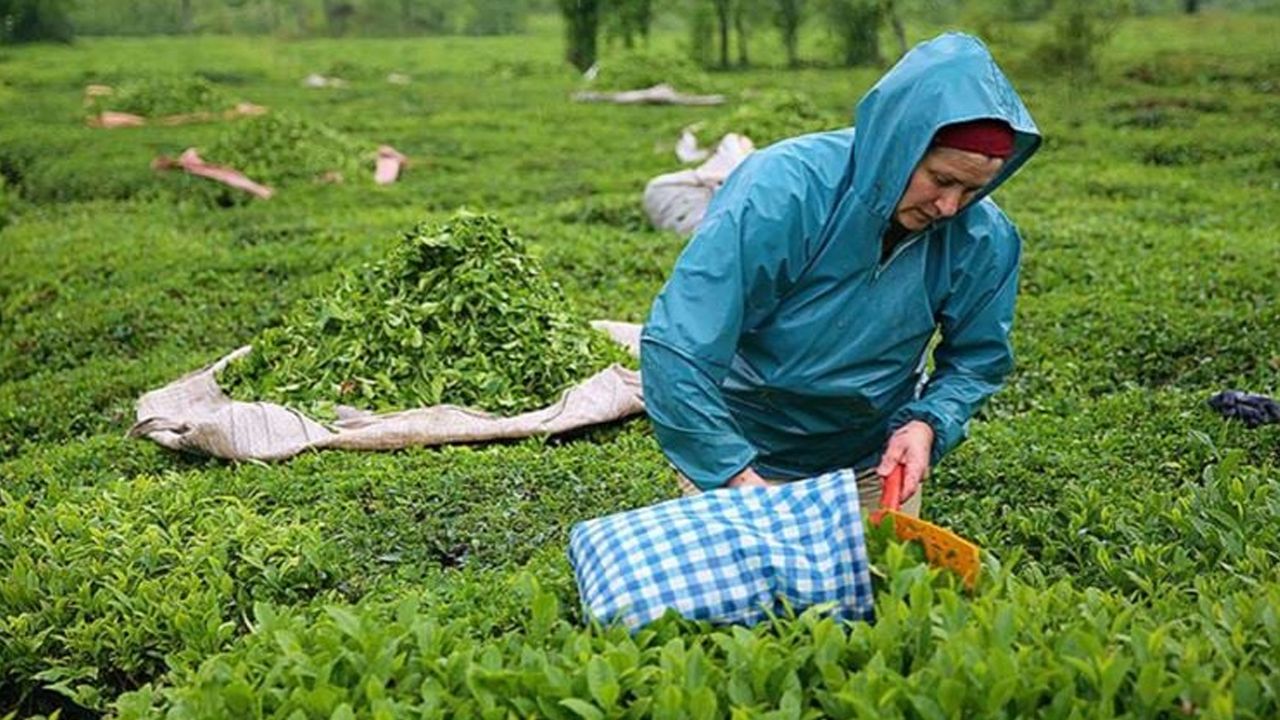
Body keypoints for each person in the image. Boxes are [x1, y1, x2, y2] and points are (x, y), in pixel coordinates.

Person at [640, 33, 1041, 514]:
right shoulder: (783, 189)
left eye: (972, 189)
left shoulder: (984, 237)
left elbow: (976, 360)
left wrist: (928, 423)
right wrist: (733, 476)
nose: (950, 206)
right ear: (900, 147)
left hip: (869, 464)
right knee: (747, 587)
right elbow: (679, 345)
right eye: (941, 180)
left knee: (881, 585)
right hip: (739, 450)